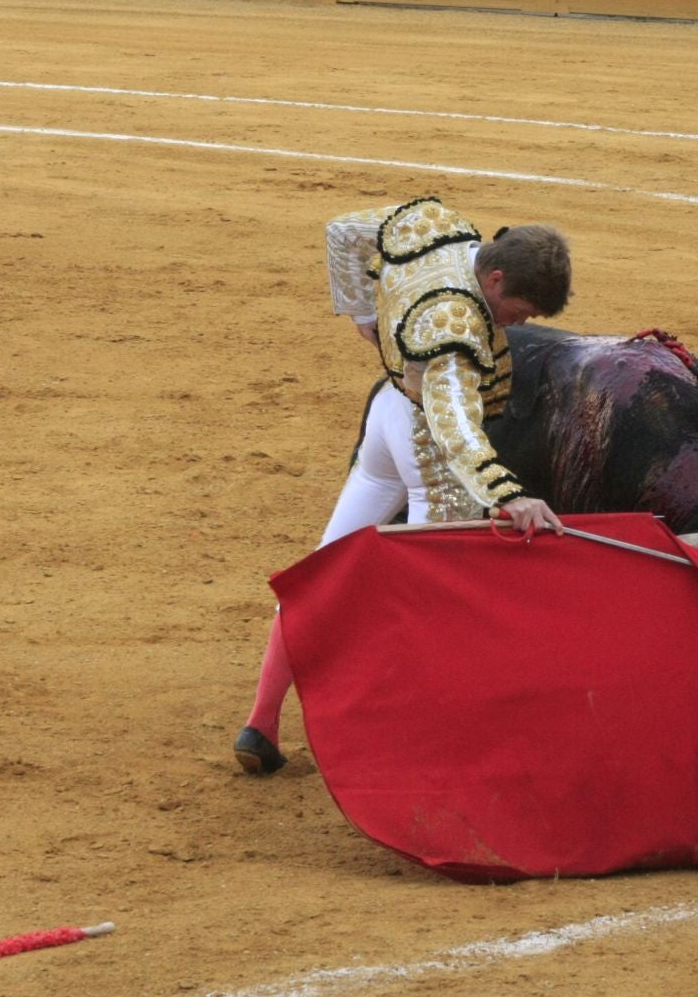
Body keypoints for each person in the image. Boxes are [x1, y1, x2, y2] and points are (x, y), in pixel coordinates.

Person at [234, 196, 573, 774]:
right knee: (436, 604)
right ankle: (414, 751)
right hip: (427, 450)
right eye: (519, 309)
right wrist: (508, 494)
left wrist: (362, 314)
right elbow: (456, 429)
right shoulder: (455, 329)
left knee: (325, 572)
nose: (522, 323)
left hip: (385, 417)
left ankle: (261, 723)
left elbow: (344, 232)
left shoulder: (437, 228)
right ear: (495, 278)